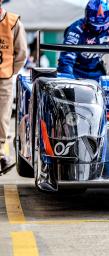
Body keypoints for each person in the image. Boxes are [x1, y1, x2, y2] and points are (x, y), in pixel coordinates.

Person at [58, 0, 109, 81]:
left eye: (103, 26)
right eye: (95, 26)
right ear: (87, 20)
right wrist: (67, 82)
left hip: (97, 73)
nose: (99, 30)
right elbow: (66, 60)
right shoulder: (76, 29)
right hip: (76, 72)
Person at [0, 0, 27, 175]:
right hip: (5, 76)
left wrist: (10, 72)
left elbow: (21, 53)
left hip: (4, 78)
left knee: (1, 118)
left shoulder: (13, 21)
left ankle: (1, 153)